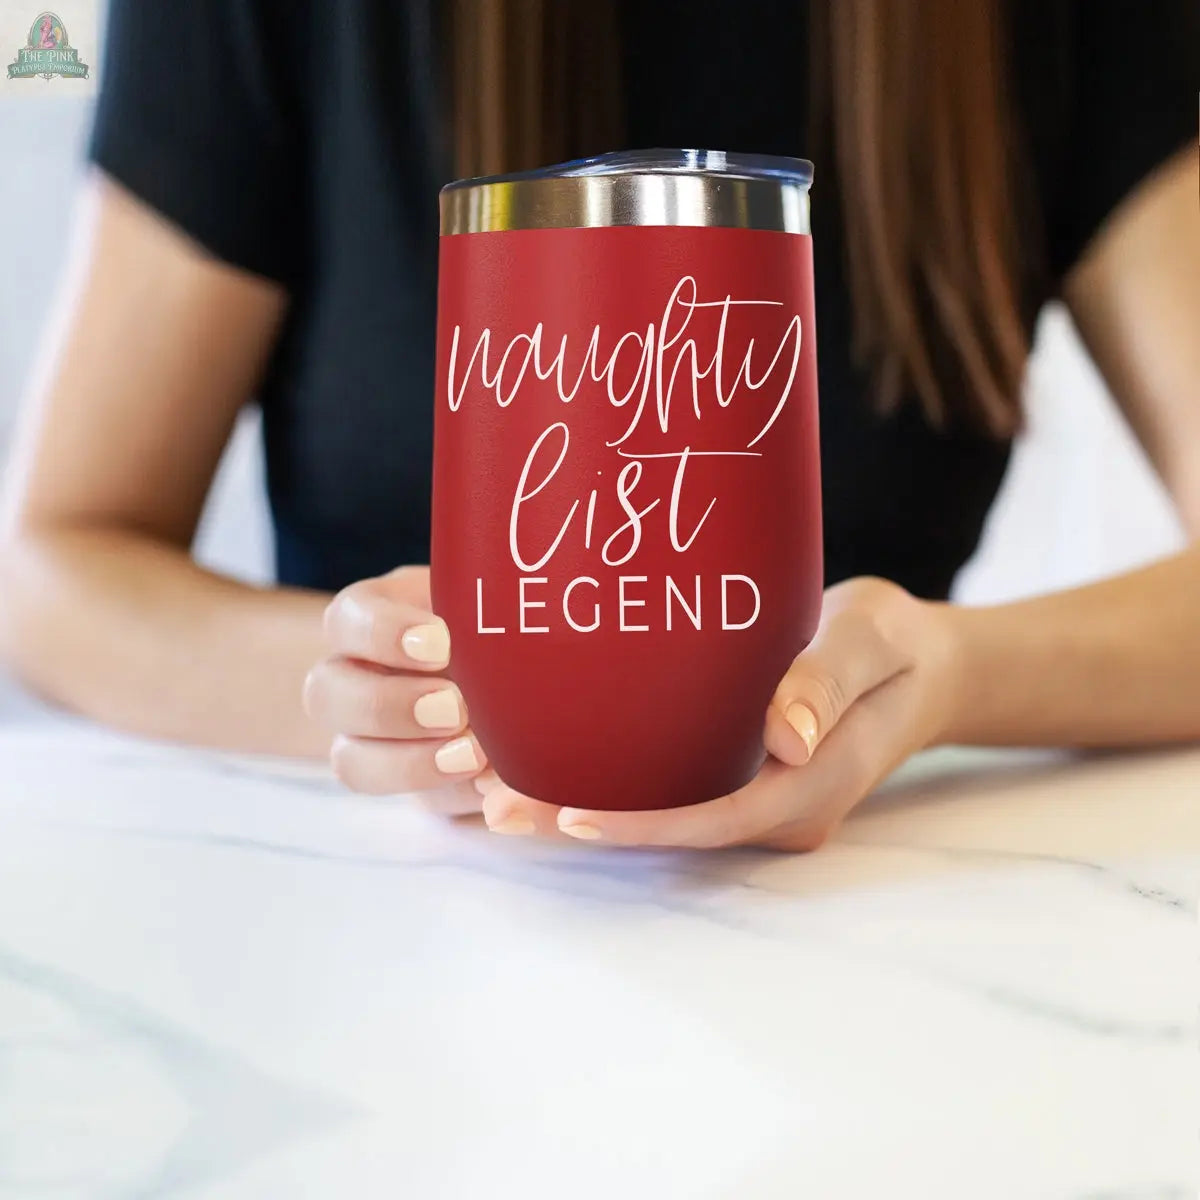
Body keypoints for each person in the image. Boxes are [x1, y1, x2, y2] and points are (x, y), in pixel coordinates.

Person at [1, 1, 1197, 850]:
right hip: (378, 911)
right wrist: (386, 699)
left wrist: (944, 676)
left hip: (855, 920)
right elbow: (51, 565)